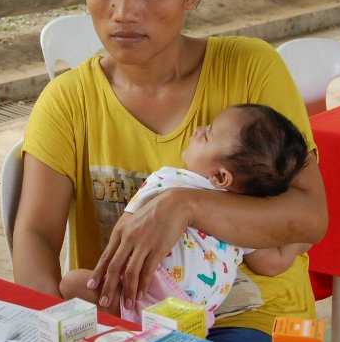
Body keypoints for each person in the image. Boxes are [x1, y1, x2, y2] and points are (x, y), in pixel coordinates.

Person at [12, 0, 328, 342]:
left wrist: (185, 205)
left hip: (247, 317)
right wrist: (55, 334)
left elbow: (310, 216)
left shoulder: (251, 69)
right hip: (129, 320)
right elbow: (35, 233)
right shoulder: (67, 101)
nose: (123, 11)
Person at [60, 103, 312, 325]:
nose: (198, 129)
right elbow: (271, 263)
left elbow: (125, 230)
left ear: (220, 176)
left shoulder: (170, 179)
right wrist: (301, 241)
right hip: (193, 321)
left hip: (139, 299)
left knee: (71, 283)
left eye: (208, 134)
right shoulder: (242, 217)